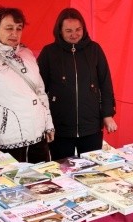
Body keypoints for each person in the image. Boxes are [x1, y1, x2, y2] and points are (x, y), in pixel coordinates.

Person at [0, 6, 54, 163]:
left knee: (45, 178)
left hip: (38, 138)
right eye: (9, 28)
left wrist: (48, 123)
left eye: (18, 28)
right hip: (9, 142)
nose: (14, 33)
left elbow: (40, 92)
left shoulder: (26, 54)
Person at [38, 8, 116, 161]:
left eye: (78, 29)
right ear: (60, 31)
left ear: (83, 29)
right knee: (62, 170)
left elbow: (106, 84)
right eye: (68, 31)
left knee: (92, 169)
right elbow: (39, 90)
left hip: (91, 127)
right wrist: (44, 123)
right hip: (60, 129)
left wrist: (107, 115)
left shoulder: (94, 49)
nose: (74, 34)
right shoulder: (49, 52)